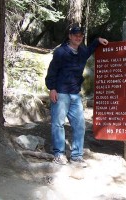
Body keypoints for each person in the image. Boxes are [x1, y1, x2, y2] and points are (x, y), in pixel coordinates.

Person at [45, 25, 108, 167]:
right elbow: (52, 71)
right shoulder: (60, 52)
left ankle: (76, 156)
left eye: (80, 35)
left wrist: (98, 40)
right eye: (75, 35)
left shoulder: (82, 51)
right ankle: (59, 154)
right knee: (58, 124)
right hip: (60, 92)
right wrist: (52, 88)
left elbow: (91, 49)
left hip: (75, 94)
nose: (78, 37)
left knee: (80, 125)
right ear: (70, 36)